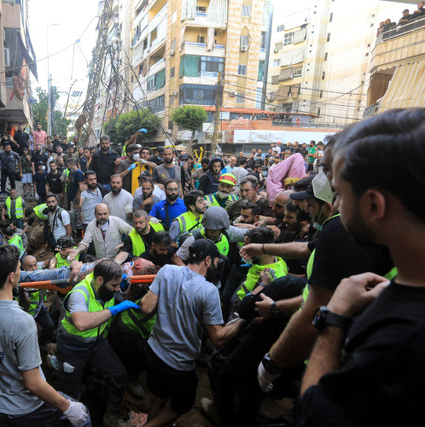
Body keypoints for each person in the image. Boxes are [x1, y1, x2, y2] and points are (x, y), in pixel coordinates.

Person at [290, 108, 423, 425]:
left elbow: (314, 414)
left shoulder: (403, 338)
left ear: (374, 205)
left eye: (340, 193)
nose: (334, 205)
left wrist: (333, 318)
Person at [241, 170, 393, 395]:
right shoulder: (349, 229)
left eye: (310, 206)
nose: (306, 211)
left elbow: (319, 307)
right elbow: (306, 248)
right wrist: (262, 247)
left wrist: (272, 363)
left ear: (328, 207)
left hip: (326, 347)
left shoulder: (338, 229)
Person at [0, 245, 89, 426]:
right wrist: (68, 407)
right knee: (83, 417)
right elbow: (33, 383)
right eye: (19, 269)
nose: (21, 273)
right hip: (25, 407)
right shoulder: (22, 321)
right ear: (11, 277)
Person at [138, 239, 248, 427]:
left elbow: (146, 307)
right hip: (179, 363)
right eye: (215, 261)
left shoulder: (167, 270)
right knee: (181, 405)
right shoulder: (209, 290)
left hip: (155, 350)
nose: (216, 265)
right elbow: (218, 339)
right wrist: (244, 320)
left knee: (161, 394)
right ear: (207, 260)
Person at [56, 259, 139, 426]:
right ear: (100, 280)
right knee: (71, 390)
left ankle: (111, 413)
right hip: (73, 347)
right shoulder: (80, 293)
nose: (117, 289)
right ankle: (68, 421)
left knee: (118, 374)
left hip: (97, 342)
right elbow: (81, 323)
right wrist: (113, 309)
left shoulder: (105, 288)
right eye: (114, 285)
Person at [69, 203, 133, 263]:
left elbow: (132, 231)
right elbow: (85, 242)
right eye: (100, 214)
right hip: (100, 261)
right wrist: (77, 250)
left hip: (117, 260)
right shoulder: (91, 225)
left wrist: (125, 243)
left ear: (109, 212)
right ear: (95, 214)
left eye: (105, 214)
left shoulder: (116, 221)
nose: (103, 217)